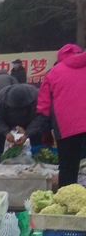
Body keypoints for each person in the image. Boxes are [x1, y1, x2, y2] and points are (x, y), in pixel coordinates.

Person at [35, 43, 86, 187]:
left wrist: (46, 133)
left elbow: (44, 106)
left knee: (68, 167)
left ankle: (67, 199)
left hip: (66, 128)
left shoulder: (53, 73)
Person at [0, 84, 44, 161]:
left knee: (37, 135)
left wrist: (26, 135)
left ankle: (38, 160)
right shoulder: (0, 99)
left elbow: (37, 119)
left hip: (29, 119)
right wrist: (6, 132)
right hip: (7, 119)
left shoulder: (36, 97)